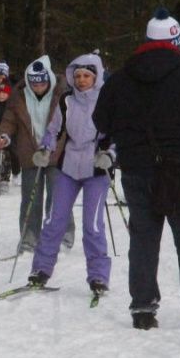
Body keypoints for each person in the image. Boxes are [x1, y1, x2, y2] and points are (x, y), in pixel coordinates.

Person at [94, 8, 180, 331]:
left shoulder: (121, 79)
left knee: (143, 238)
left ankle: (142, 308)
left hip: (137, 168)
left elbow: (101, 122)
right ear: (177, 40)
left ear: (146, 40)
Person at [26, 53, 112, 294]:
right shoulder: (66, 101)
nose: (82, 80)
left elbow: (115, 134)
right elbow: (53, 130)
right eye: (78, 76)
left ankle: (98, 276)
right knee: (55, 220)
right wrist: (45, 148)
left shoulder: (106, 100)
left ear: (96, 77)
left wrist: (110, 155)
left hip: (96, 168)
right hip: (69, 166)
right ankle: (41, 270)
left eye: (86, 76)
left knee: (92, 225)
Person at [0, 56, 74, 252]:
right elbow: (9, 120)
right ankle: (29, 236)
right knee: (31, 197)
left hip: (57, 153)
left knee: (58, 195)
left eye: (42, 82)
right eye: (34, 83)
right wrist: (3, 135)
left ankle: (62, 234)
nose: (38, 87)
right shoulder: (19, 95)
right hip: (30, 152)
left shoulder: (62, 94)